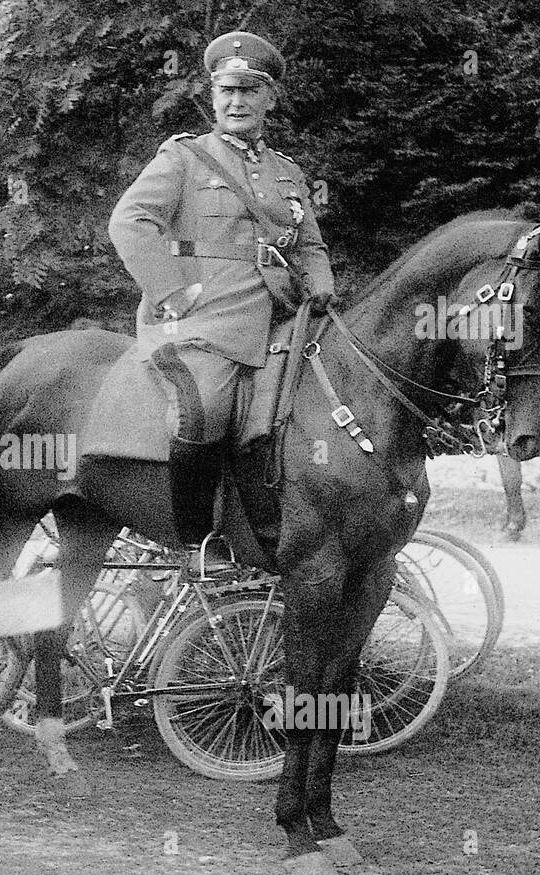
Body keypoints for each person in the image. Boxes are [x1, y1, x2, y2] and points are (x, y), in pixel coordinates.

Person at [108, 29, 334, 568]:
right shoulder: (185, 159)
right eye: (227, 91)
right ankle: (194, 541)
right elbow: (129, 222)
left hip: (285, 317)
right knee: (205, 405)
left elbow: (311, 243)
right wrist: (171, 288)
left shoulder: (287, 172)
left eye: (249, 91)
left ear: (269, 99)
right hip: (208, 320)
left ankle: (286, 531)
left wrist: (322, 285)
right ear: (213, 96)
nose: (237, 102)